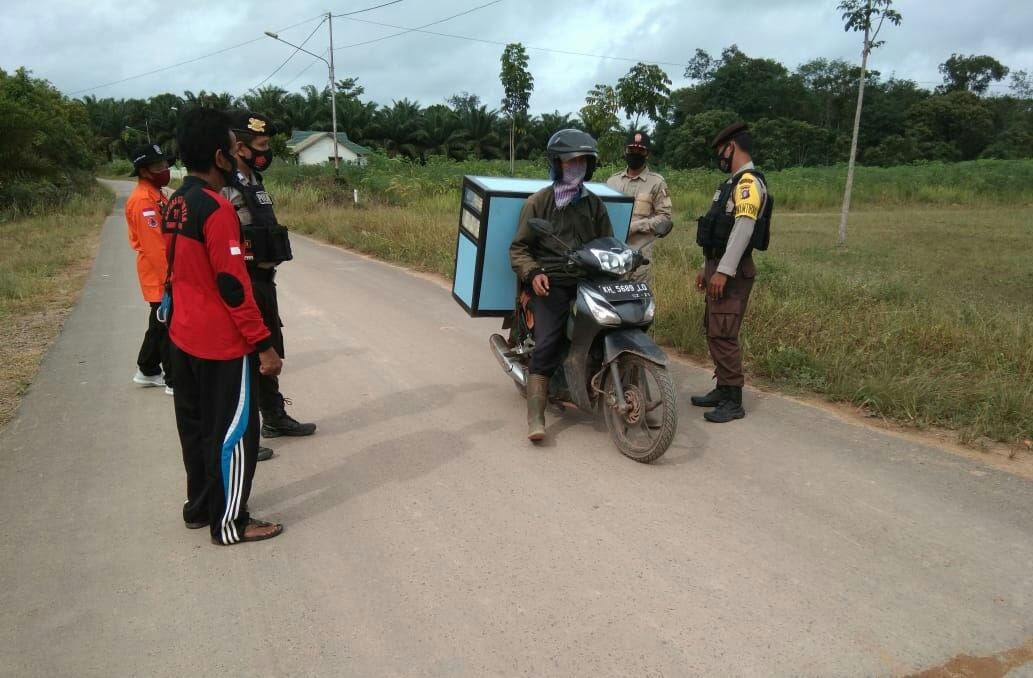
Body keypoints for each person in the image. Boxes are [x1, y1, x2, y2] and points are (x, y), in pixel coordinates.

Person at [164, 108, 284, 545]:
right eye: (234, 149)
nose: (239, 156)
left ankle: (199, 508)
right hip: (220, 345)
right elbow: (233, 286)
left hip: (183, 336)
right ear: (219, 157)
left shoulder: (177, 201)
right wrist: (263, 344)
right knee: (234, 434)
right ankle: (231, 522)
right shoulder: (216, 208)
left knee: (196, 429)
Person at [510, 129, 614, 441]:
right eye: (570, 161)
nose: (577, 166)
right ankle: (536, 416)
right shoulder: (539, 203)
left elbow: (608, 242)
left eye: (582, 161)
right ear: (557, 163)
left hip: (587, 280)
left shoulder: (594, 204)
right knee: (548, 342)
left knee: (609, 326)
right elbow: (519, 249)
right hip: (551, 281)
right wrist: (533, 273)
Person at [221, 111, 316, 452]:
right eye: (261, 145)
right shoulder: (225, 188)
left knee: (269, 350)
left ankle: (274, 417)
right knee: (248, 358)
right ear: (240, 148)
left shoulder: (254, 182)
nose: (266, 152)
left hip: (264, 281)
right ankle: (240, 438)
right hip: (243, 282)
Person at [692, 122, 769, 423]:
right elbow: (718, 234)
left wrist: (723, 271)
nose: (719, 157)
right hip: (719, 265)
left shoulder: (748, 184)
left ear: (731, 147)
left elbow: (743, 229)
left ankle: (733, 400)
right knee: (714, 329)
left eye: (720, 151)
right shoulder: (731, 184)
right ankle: (723, 388)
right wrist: (707, 268)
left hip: (733, 271)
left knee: (724, 333)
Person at [125, 144, 175, 394]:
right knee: (166, 323)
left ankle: (147, 369)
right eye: (158, 166)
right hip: (158, 271)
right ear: (144, 171)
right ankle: (173, 379)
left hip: (161, 269)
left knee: (159, 321)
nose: (165, 169)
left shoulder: (157, 194)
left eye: (165, 164)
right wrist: (171, 278)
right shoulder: (143, 200)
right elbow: (155, 245)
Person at [605, 131, 673, 282]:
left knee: (637, 295)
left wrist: (636, 226)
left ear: (647, 154)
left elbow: (665, 218)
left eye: (640, 151)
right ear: (625, 151)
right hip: (612, 253)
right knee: (610, 293)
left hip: (640, 256)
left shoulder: (657, 182)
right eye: (631, 150)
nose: (635, 154)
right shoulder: (612, 181)